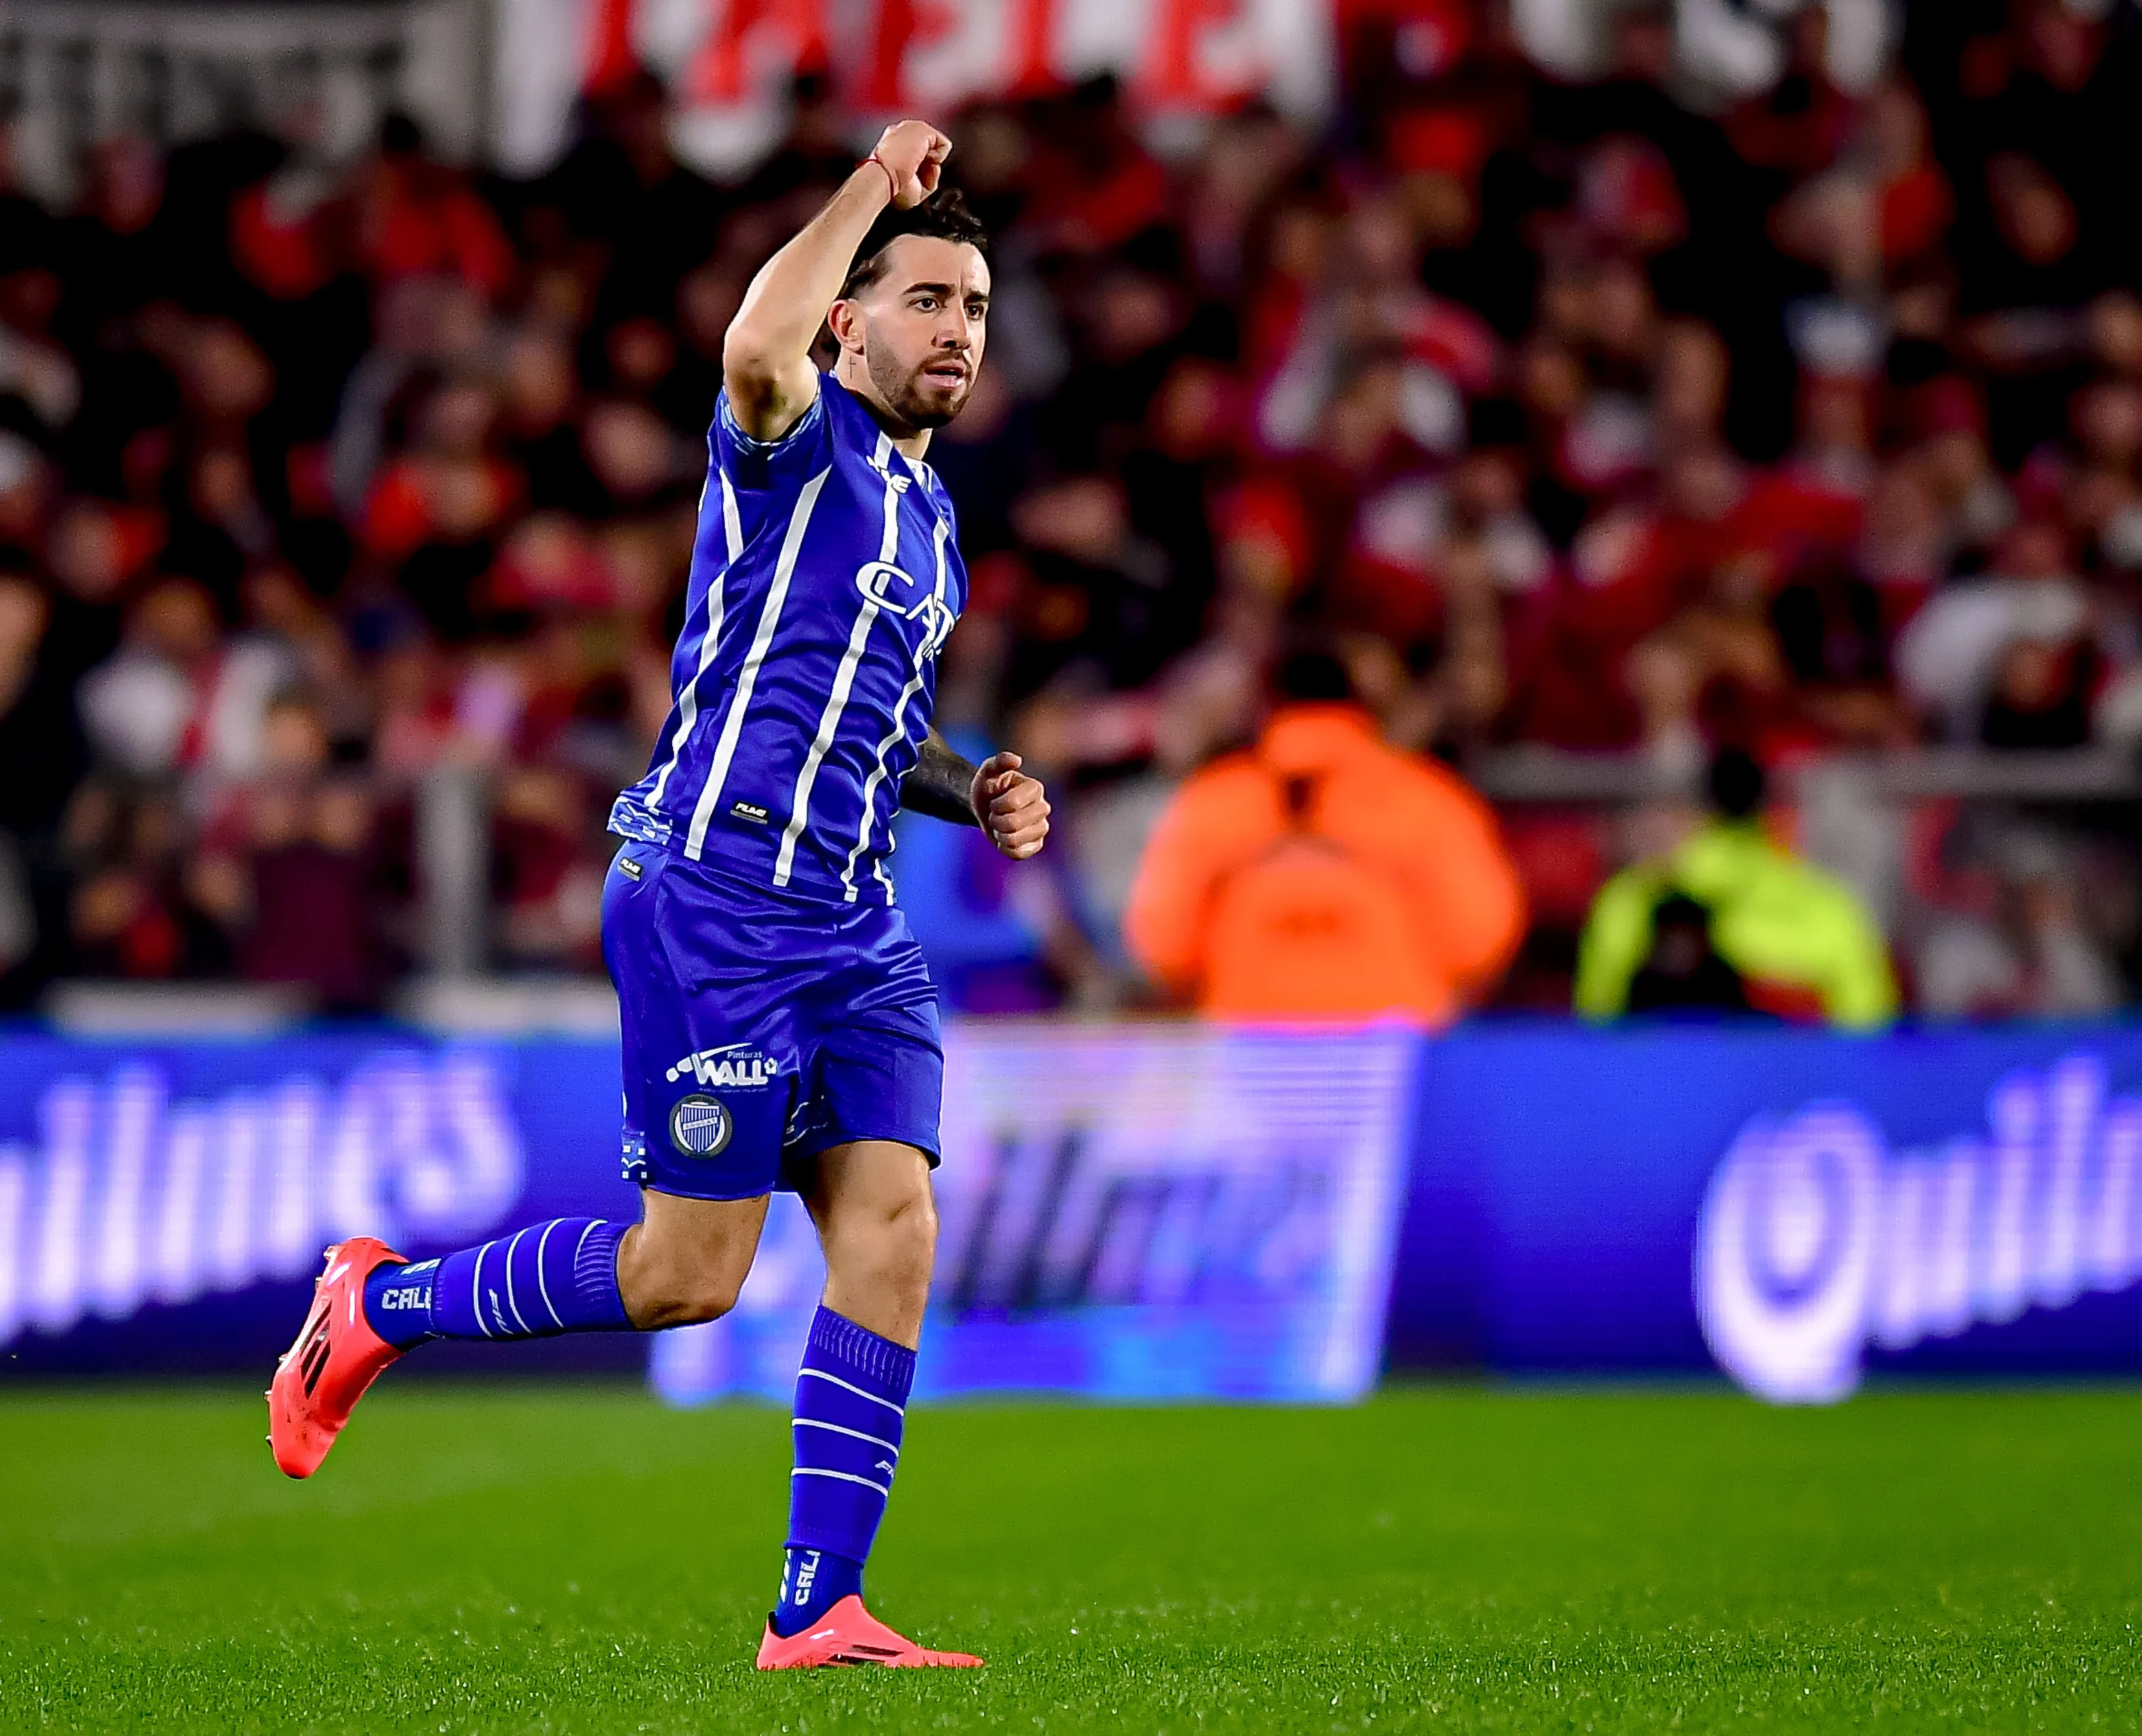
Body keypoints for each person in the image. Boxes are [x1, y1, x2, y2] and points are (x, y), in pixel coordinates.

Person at [266, 121, 1048, 1671]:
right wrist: (867, 189)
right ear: (851, 322)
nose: (955, 329)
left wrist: (972, 787)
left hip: (855, 924)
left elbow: (872, 728)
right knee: (685, 1277)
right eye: (923, 300)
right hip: (716, 898)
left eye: (972, 306)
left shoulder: (935, 523)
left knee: (894, 1227)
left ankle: (816, 1607)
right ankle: (378, 1305)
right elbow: (753, 344)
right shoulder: (797, 438)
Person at [1121, 644, 1523, 1025]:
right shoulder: (1430, 799)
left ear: (1265, 709)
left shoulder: (1211, 802)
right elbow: (1480, 938)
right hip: (1395, 1043)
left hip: (1247, 1040)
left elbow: (1162, 944)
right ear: (1360, 708)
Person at [1575, 747, 1898, 1028]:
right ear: (1770, 810)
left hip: (1657, 1075)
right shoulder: (1827, 903)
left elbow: (1596, 1021)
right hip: (1791, 1077)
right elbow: (1867, 1030)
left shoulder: (1631, 897)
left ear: (1696, 811)